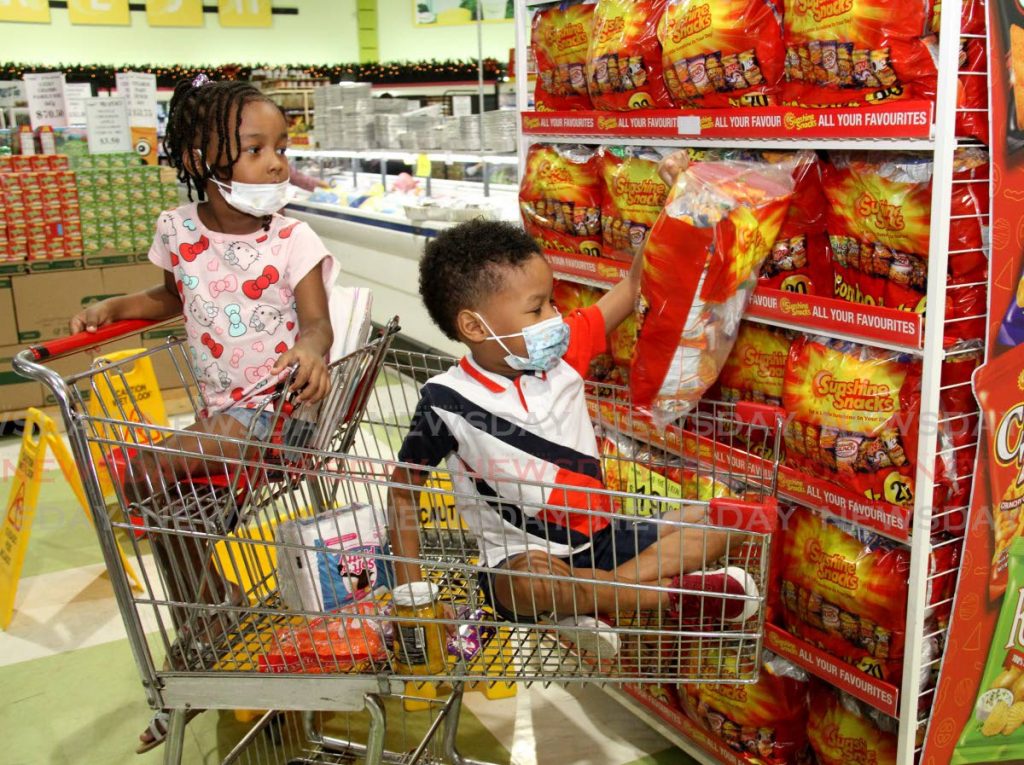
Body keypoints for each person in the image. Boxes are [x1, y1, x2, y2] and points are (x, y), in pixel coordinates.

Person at [70, 74, 337, 753]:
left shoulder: (294, 239)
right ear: (198, 158)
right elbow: (170, 298)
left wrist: (310, 353)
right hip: (225, 419)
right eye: (256, 148)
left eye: (282, 145)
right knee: (160, 501)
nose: (277, 160)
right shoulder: (178, 231)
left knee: (141, 477)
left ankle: (213, 613)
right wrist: (114, 308)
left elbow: (316, 326)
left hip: (282, 416)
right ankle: (213, 612)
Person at [387, 216, 758, 654]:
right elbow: (403, 493)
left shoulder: (563, 357)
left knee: (740, 517)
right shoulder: (446, 400)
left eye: (553, 304)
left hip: (600, 539)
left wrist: (677, 202)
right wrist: (413, 596)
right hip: (520, 561)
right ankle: (682, 596)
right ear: (475, 327)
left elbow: (634, 283)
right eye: (537, 307)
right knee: (536, 585)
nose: (555, 318)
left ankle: (594, 599)